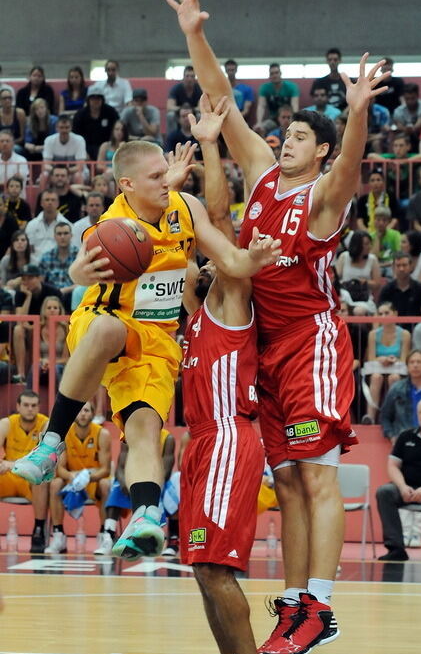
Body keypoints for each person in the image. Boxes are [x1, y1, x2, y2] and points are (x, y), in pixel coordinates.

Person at [166, 0, 389, 654]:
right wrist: (195, 35)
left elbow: (350, 165)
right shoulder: (262, 174)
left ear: (316, 150)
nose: (283, 140)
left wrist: (352, 114)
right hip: (264, 345)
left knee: (315, 475)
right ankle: (294, 599)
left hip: (311, 339)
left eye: (297, 135)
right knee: (287, 477)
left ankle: (318, 602)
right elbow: (222, 104)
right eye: (285, 134)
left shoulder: (322, 198)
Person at [12, 134, 281, 565]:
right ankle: (51, 444)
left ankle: (145, 516)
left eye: (166, 174)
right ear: (126, 185)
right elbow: (81, 269)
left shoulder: (185, 208)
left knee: (143, 431)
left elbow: (230, 262)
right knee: (104, 333)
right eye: (155, 176)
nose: (166, 181)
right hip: (107, 321)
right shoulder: (110, 228)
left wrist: (256, 257)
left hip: (157, 342)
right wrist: (77, 271)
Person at [179, 96, 283, 654]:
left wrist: (207, 153)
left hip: (227, 442)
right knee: (200, 567)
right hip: (200, 445)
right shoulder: (191, 318)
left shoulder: (229, 294)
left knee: (216, 568)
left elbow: (214, 216)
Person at [376, 396, 421, 562]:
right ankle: (396, 548)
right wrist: (403, 487)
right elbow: (393, 466)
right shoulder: (405, 436)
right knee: (384, 492)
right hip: (406, 488)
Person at [44, 401, 111, 554]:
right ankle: (58, 535)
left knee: (106, 484)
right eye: (80, 411)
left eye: (86, 410)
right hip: (71, 481)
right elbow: (59, 469)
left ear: (93, 414)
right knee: (55, 483)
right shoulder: (66, 434)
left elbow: (106, 470)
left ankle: (105, 535)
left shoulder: (102, 434)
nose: (83, 414)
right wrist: (72, 477)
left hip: (92, 480)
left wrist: (86, 476)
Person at [97, 427, 175, 556]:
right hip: (131, 480)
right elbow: (120, 468)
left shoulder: (168, 438)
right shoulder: (129, 434)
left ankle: (161, 539)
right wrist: (129, 484)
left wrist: (150, 486)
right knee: (116, 488)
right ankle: (109, 536)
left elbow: (165, 472)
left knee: (170, 494)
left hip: (157, 482)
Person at [0, 390, 49, 552]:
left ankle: (38, 532)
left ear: (39, 407)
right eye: (26, 405)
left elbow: (45, 460)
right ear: (18, 407)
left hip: (30, 477)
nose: (30, 409)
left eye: (34, 405)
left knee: (42, 478)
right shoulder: (6, 424)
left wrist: (11, 464)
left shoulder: (45, 424)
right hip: (8, 477)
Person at [361, 301, 411, 424]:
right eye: (380, 313)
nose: (383, 316)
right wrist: (381, 359)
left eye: (386, 313)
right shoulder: (373, 334)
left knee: (394, 378)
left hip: (398, 370)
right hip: (378, 369)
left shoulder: (405, 334)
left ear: (395, 314)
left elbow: (404, 360)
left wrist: (393, 360)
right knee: (376, 377)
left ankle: (393, 416)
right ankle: (370, 417)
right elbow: (371, 358)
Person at [12, 265, 62, 384]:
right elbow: (20, 320)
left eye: (30, 278)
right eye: (23, 279)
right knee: (18, 330)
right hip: (29, 330)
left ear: (39, 278)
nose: (26, 282)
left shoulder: (53, 292)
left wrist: (36, 326)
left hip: (48, 329)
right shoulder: (20, 294)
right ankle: (21, 374)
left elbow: (59, 318)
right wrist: (28, 297)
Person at [26, 296, 68, 389]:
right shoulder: (38, 328)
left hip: (60, 367)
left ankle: (58, 402)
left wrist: (52, 362)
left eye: (55, 308)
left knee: (55, 369)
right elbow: (35, 356)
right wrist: (43, 361)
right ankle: (29, 397)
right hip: (42, 365)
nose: (52, 310)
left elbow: (66, 359)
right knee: (35, 366)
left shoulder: (66, 329)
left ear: (60, 311)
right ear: (44, 311)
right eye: (49, 308)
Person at [336, 231, 381, 315]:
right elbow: (337, 279)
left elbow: (377, 284)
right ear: (357, 245)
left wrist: (364, 282)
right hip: (345, 296)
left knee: (358, 311)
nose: (369, 247)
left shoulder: (372, 259)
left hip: (363, 297)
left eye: (370, 243)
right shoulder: (344, 256)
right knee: (339, 310)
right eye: (366, 244)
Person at [378, 252, 421, 323]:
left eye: (404, 265)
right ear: (393, 267)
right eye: (398, 265)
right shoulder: (386, 289)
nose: (401, 269)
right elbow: (379, 314)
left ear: (411, 267)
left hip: (416, 330)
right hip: (392, 330)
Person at [38, 222, 79, 311]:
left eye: (65, 233)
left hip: (72, 294)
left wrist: (65, 290)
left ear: (71, 235)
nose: (62, 237)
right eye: (59, 234)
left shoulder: (79, 255)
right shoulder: (46, 256)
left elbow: (84, 283)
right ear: (54, 236)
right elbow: (41, 282)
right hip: (51, 296)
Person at [72, 85, 119, 161]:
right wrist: (82, 151)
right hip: (86, 147)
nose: (96, 101)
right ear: (88, 100)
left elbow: (117, 129)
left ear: (102, 100)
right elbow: (75, 135)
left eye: (98, 98)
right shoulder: (80, 115)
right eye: (93, 98)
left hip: (107, 147)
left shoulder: (111, 112)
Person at [26, 188, 71, 261]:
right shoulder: (31, 225)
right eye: (47, 200)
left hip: (58, 264)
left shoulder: (67, 225)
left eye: (53, 200)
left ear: (58, 203)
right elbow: (29, 249)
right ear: (41, 203)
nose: (50, 202)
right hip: (36, 264)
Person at [255, 63, 299, 135]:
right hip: (273, 119)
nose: (274, 75)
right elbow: (261, 106)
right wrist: (259, 122)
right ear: (269, 75)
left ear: (280, 73)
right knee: (260, 129)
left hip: (288, 117)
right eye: (272, 73)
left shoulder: (291, 87)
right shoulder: (264, 88)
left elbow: (295, 105)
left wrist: (295, 121)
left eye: (276, 73)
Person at [41, 116, 87, 183]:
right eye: (61, 128)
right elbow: (45, 165)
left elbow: (80, 167)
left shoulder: (79, 140)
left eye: (67, 127)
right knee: (44, 175)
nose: (64, 130)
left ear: (71, 128)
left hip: (74, 172)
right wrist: (58, 172)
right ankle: (43, 193)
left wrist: (65, 172)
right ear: (56, 128)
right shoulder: (49, 140)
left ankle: (80, 193)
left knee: (78, 176)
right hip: (56, 172)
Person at [393, 84, 421, 150]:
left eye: (413, 98)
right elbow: (399, 126)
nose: (410, 101)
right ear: (403, 97)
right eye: (407, 99)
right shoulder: (398, 111)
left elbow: (419, 124)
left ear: (418, 96)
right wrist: (404, 129)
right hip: (408, 136)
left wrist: (409, 129)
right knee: (399, 137)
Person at [356, 168, 400, 233]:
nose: (375, 183)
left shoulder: (391, 198)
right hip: (368, 233)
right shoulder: (362, 200)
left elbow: (395, 219)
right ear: (369, 183)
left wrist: (385, 231)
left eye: (378, 180)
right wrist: (368, 233)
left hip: (387, 232)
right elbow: (359, 220)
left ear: (383, 182)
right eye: (372, 180)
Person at [166, 65, 202, 134]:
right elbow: (169, 107)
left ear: (195, 78)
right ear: (183, 77)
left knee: (200, 115)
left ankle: (199, 138)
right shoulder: (176, 89)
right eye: (187, 76)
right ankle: (171, 138)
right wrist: (182, 110)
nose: (189, 79)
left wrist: (191, 110)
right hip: (179, 114)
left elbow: (201, 107)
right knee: (170, 115)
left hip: (193, 114)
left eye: (192, 76)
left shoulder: (199, 89)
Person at [370, 205, 402, 277]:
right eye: (378, 220)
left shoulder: (395, 235)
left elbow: (399, 255)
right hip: (376, 266)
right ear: (374, 220)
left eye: (384, 220)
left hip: (391, 265)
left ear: (389, 221)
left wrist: (383, 264)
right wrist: (377, 238)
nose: (381, 223)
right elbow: (373, 257)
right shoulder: (370, 236)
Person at [0, 194, 20, 260]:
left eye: (0, 205)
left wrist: (6, 258)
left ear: (4, 206)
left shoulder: (11, 221)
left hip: (8, 256)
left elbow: (16, 240)